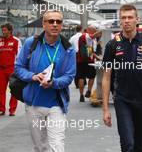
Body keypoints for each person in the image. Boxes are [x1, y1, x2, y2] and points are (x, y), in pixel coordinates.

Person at [102, 4, 142, 152]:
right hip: (122, 99)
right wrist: (105, 109)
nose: (127, 21)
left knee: (139, 144)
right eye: (124, 18)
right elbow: (106, 77)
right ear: (120, 21)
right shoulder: (112, 45)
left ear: (137, 19)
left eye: (130, 17)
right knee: (127, 143)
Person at [15, 10, 76, 152]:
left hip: (57, 105)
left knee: (57, 145)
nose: (55, 24)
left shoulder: (68, 49)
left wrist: (53, 82)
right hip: (34, 104)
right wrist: (32, 76)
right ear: (44, 24)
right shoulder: (31, 43)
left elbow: (69, 76)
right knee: (40, 147)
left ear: (62, 25)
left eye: (58, 22)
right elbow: (18, 67)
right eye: (51, 21)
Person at [0, 23, 21, 116]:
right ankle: (1, 109)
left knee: (14, 90)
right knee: (1, 90)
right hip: (1, 69)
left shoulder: (16, 41)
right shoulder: (0, 40)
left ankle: (12, 110)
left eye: (5, 30)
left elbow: (20, 56)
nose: (3, 32)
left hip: (12, 69)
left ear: (10, 31)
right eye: (2, 30)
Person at [76, 26, 101, 102]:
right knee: (92, 76)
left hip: (80, 60)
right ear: (90, 30)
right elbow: (94, 35)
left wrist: (97, 57)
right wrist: (101, 30)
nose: (95, 32)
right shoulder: (86, 36)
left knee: (81, 77)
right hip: (89, 61)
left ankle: (81, 95)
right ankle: (89, 90)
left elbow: (92, 51)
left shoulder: (87, 38)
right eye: (94, 30)